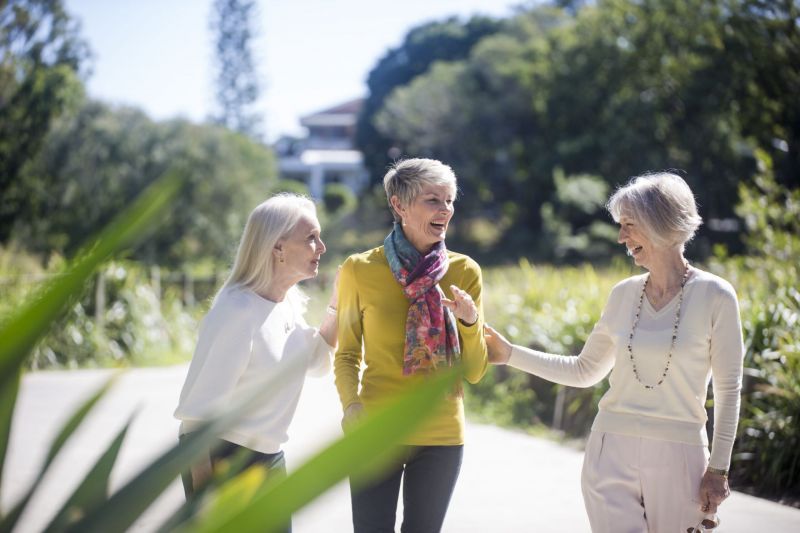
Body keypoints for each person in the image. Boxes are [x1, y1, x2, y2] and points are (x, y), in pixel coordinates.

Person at [485, 172, 744, 533]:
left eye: (629, 225)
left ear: (660, 223)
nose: (621, 236)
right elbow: (584, 370)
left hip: (681, 457)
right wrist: (509, 353)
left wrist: (718, 468)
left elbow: (729, 390)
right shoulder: (623, 294)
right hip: (610, 452)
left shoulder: (716, 295)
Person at [335, 158, 488, 533]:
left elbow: (474, 371)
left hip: (441, 435)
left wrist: (469, 322)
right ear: (398, 205)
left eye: (449, 201)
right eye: (433, 200)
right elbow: (347, 352)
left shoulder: (465, 271)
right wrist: (350, 405)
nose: (445, 210)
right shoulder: (359, 269)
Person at [173, 193, 338, 518]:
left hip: (269, 457)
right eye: (311, 238)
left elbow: (318, 361)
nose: (322, 247)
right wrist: (204, 501)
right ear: (277, 247)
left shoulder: (285, 304)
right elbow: (196, 420)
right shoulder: (237, 311)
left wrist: (339, 303)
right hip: (221, 459)